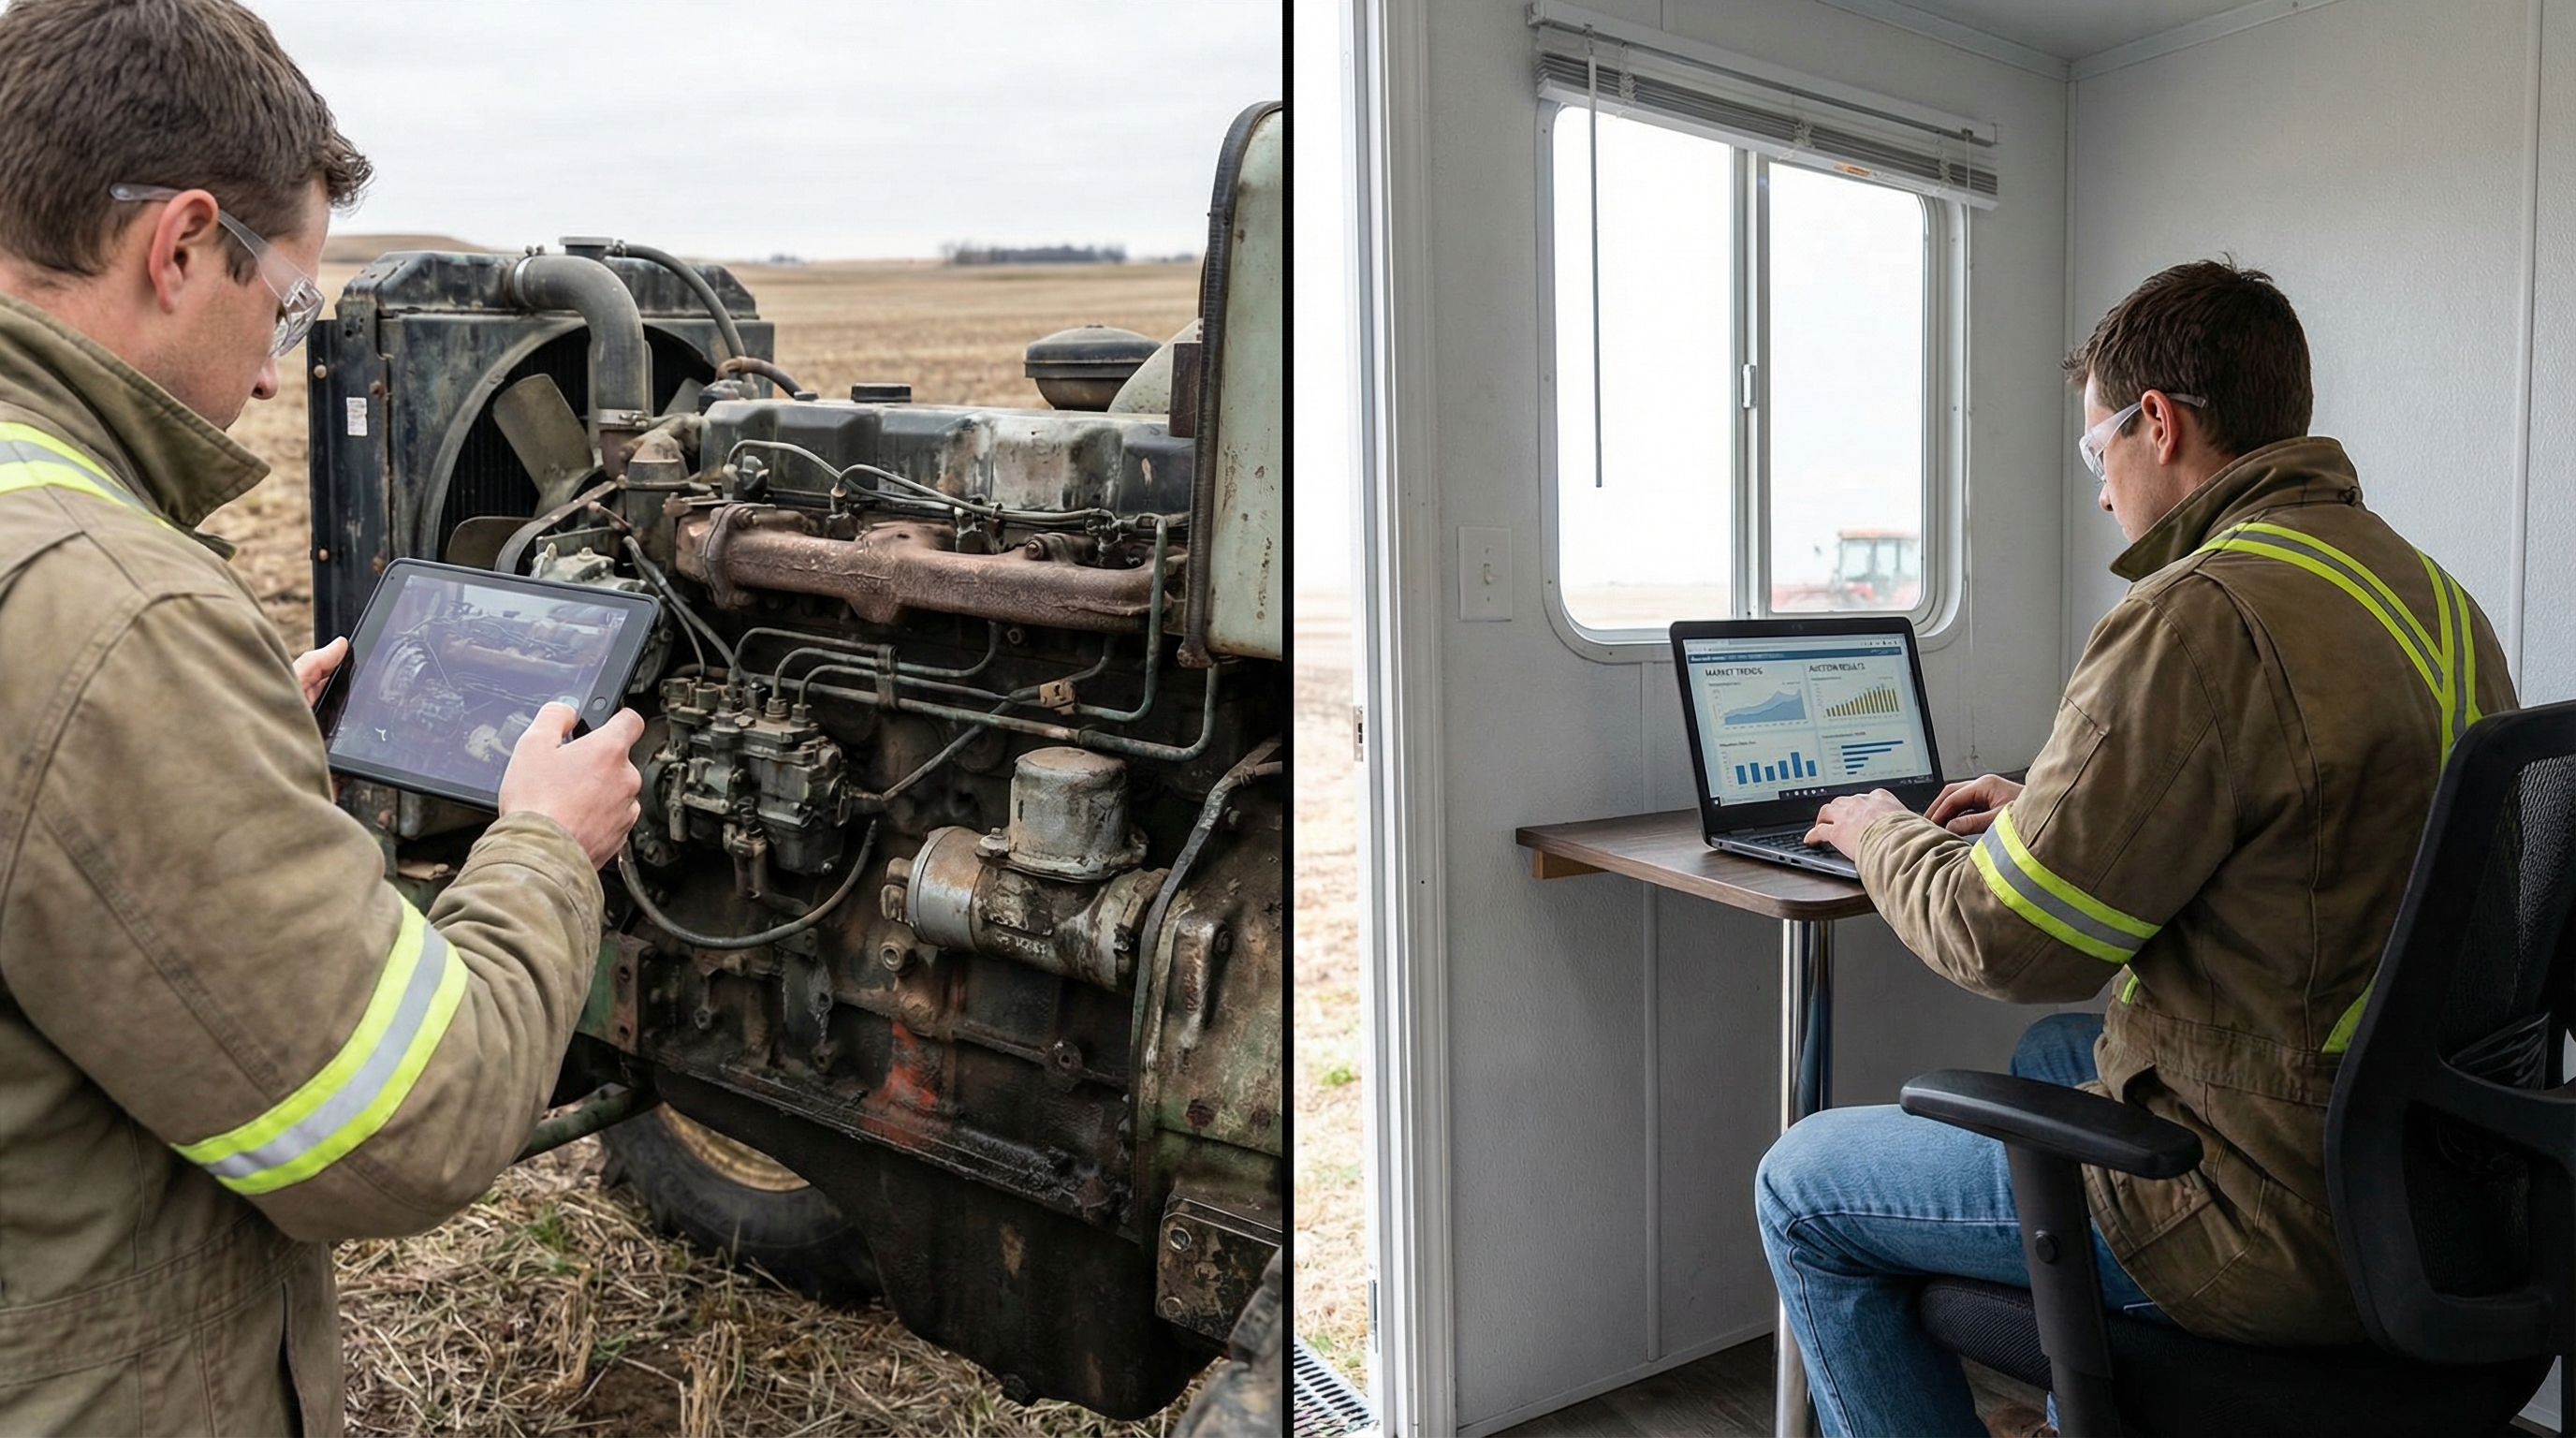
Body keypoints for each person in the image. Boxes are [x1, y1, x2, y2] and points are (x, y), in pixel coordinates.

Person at [0, 1, 643, 1431]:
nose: (278, 373)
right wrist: (541, 846)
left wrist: (191, 761)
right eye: (287, 306)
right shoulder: (112, 615)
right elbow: (407, 1129)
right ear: (179, 245)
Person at [1760, 259, 2518, 1438]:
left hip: (2273, 1219)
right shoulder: (2428, 597)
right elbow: (2322, 836)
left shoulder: (2197, 611)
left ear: (2155, 422)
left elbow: (2000, 937)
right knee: (2060, 1048)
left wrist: (1876, 829)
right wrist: (2057, 805)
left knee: (1801, 1181)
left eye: (2094, 451)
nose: (2103, 494)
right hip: (2440, 1173)